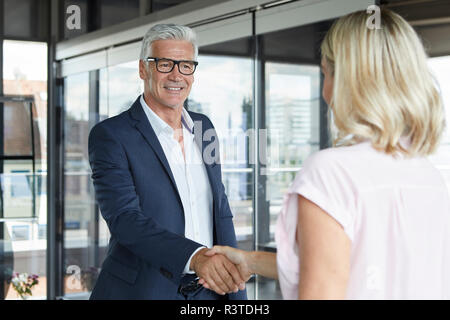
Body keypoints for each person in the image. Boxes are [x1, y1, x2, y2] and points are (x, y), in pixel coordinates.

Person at [200, 9, 450, 299]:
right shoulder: (426, 173)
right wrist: (251, 261)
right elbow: (353, 265)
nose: (324, 89)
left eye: (325, 73)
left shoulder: (332, 171)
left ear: (346, 80)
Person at [88, 23, 246, 300]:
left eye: (186, 65)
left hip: (209, 291)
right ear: (143, 69)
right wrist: (195, 257)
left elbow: (220, 207)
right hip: (144, 290)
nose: (176, 75)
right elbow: (125, 219)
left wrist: (236, 290)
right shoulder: (111, 135)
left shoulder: (203, 126)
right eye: (164, 64)